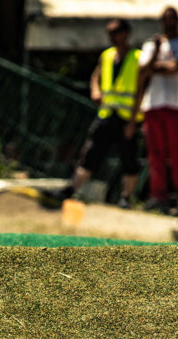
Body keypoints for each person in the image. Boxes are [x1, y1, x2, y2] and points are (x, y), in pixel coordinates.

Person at [49, 18, 143, 208]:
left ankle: (126, 197)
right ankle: (70, 190)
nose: (111, 37)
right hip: (107, 114)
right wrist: (95, 90)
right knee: (91, 152)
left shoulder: (138, 57)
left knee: (128, 157)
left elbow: (142, 89)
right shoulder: (107, 55)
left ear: (126, 33)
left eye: (115, 32)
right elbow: (96, 75)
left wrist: (133, 121)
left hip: (127, 117)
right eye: (109, 33)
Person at [126, 6, 178, 216]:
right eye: (165, 19)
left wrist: (154, 66)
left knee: (177, 154)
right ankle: (158, 196)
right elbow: (143, 71)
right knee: (154, 154)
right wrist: (157, 54)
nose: (169, 22)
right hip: (153, 105)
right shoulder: (150, 45)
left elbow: (175, 68)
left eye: (172, 18)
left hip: (176, 105)